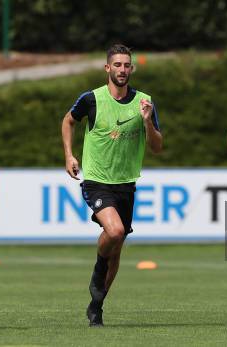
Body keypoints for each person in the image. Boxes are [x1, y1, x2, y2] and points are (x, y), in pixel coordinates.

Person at [61, 44, 162, 327]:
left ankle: (97, 304)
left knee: (116, 248)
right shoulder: (91, 99)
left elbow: (157, 147)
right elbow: (68, 122)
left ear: (132, 69)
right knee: (114, 231)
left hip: (126, 183)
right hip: (96, 180)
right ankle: (97, 270)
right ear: (108, 68)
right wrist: (69, 155)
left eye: (126, 65)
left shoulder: (145, 102)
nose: (122, 70)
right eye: (117, 65)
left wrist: (147, 123)